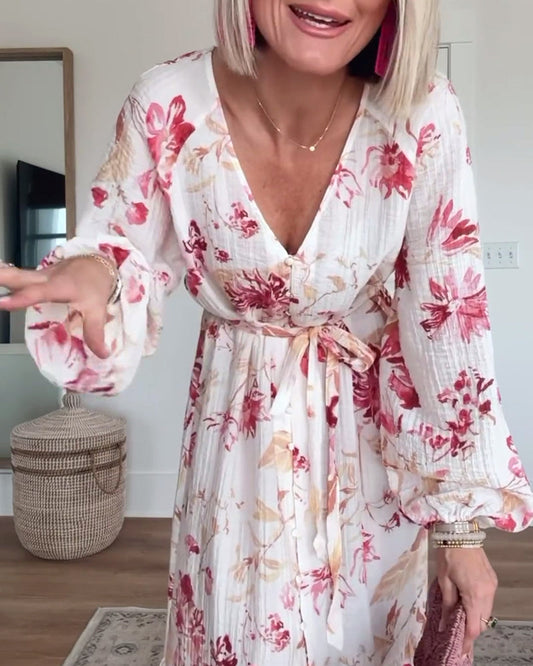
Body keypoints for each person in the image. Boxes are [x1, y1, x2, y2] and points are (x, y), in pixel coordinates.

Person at [1, 1, 533, 664]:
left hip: (372, 468)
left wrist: (460, 534)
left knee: (370, 642)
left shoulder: (422, 112)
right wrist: (95, 275)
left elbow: (448, 320)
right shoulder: (167, 102)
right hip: (236, 454)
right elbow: (119, 247)